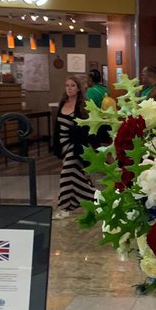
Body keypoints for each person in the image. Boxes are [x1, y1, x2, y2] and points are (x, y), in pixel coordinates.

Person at [52, 75, 94, 219]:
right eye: (67, 85)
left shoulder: (82, 106)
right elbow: (57, 128)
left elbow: (85, 130)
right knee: (76, 176)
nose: (69, 88)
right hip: (63, 145)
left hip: (75, 146)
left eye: (72, 86)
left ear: (78, 89)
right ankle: (95, 197)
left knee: (66, 173)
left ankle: (63, 207)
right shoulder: (62, 103)